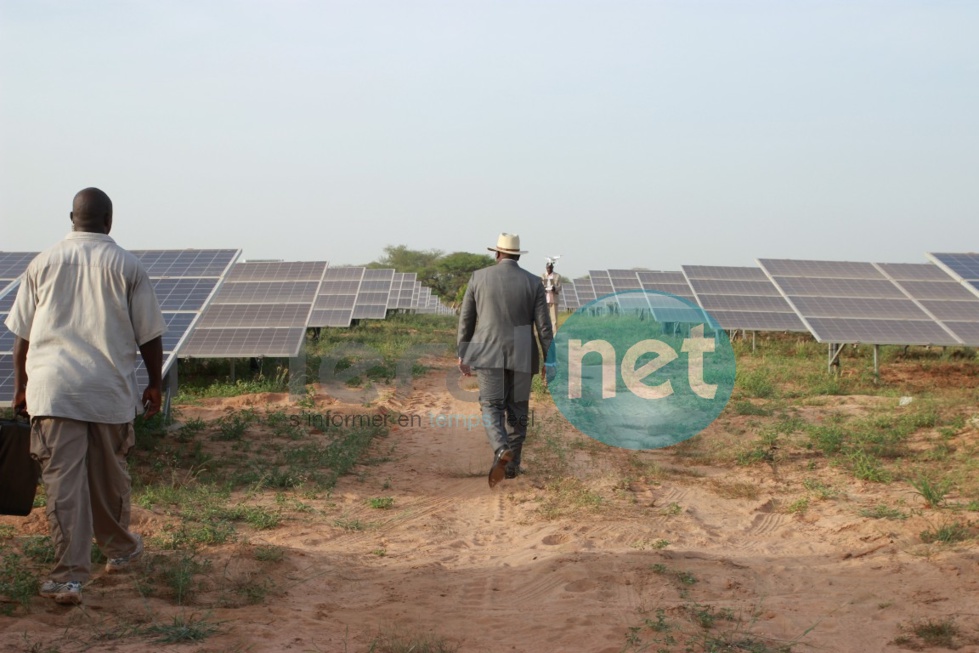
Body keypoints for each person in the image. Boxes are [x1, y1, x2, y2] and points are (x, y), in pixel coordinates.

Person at [5, 187, 166, 605]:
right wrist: (154, 383)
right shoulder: (127, 266)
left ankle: (68, 577)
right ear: (109, 221)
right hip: (108, 390)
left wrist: (21, 388)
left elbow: (22, 336)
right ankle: (120, 552)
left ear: (71, 218)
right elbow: (150, 334)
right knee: (109, 475)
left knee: (64, 484)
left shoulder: (41, 264)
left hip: (53, 391)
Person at [457, 233, 554, 487]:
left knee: (491, 406)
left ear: (497, 254)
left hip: (488, 353)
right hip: (523, 353)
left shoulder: (479, 277)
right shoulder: (533, 282)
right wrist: (549, 360)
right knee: (518, 412)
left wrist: (463, 352)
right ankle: (512, 467)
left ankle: (501, 450)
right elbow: (544, 327)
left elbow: (467, 319)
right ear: (517, 256)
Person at [542, 257, 561, 331]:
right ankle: (546, 335)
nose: (549, 269)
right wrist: (543, 289)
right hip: (545, 301)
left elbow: (559, 287)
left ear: (552, 268)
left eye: (550, 268)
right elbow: (540, 286)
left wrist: (555, 288)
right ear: (546, 268)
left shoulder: (557, 276)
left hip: (554, 300)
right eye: (547, 268)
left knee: (554, 320)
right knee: (545, 320)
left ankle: (555, 336)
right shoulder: (543, 276)